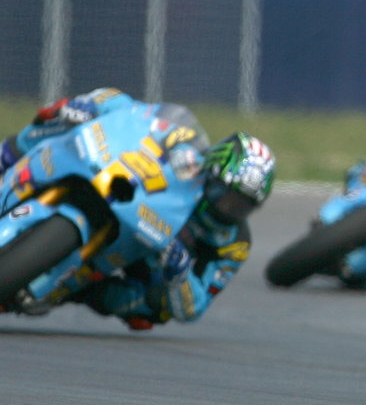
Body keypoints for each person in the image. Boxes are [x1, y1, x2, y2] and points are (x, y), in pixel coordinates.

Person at [1, 87, 276, 330]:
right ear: (211, 172)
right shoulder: (187, 158)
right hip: (128, 203)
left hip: (148, 258)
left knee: (156, 307)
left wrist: (180, 274)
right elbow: (129, 108)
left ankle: (76, 290)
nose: (228, 207)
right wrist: (89, 105)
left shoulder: (234, 243)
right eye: (225, 195)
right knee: (50, 123)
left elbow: (194, 310)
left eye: (241, 205)